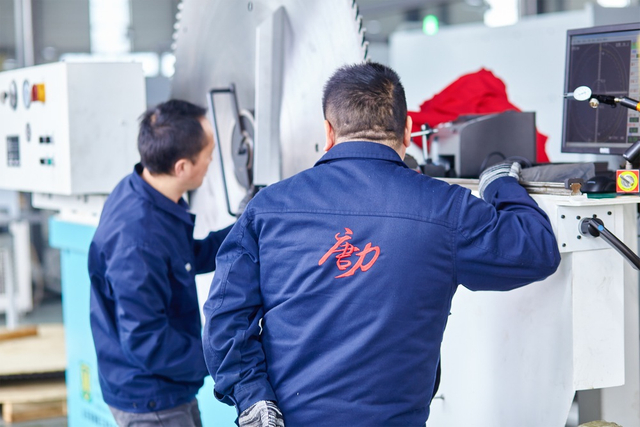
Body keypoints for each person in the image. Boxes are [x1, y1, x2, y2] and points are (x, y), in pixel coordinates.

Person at [202, 62, 561, 426]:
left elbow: (224, 315)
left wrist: (252, 398)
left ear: (328, 131)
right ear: (407, 131)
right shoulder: (447, 208)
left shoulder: (268, 207)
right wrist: (500, 181)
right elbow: (536, 251)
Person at [89, 100, 233, 427]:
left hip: (166, 384)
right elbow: (147, 342)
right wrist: (222, 358)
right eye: (209, 154)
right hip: (150, 399)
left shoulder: (141, 187)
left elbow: (179, 259)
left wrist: (245, 231)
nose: (212, 160)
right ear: (182, 166)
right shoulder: (137, 241)